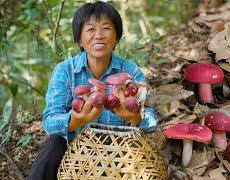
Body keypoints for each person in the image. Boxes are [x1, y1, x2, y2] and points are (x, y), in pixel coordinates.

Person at [27, 1, 157, 179]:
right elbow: (50, 121)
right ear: (79, 39)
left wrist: (136, 117)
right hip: (75, 154)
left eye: (106, 28)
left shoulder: (131, 71)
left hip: (120, 152)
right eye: (90, 29)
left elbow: (151, 120)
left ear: (117, 37)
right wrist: (74, 121)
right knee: (54, 144)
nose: (99, 36)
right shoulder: (65, 71)